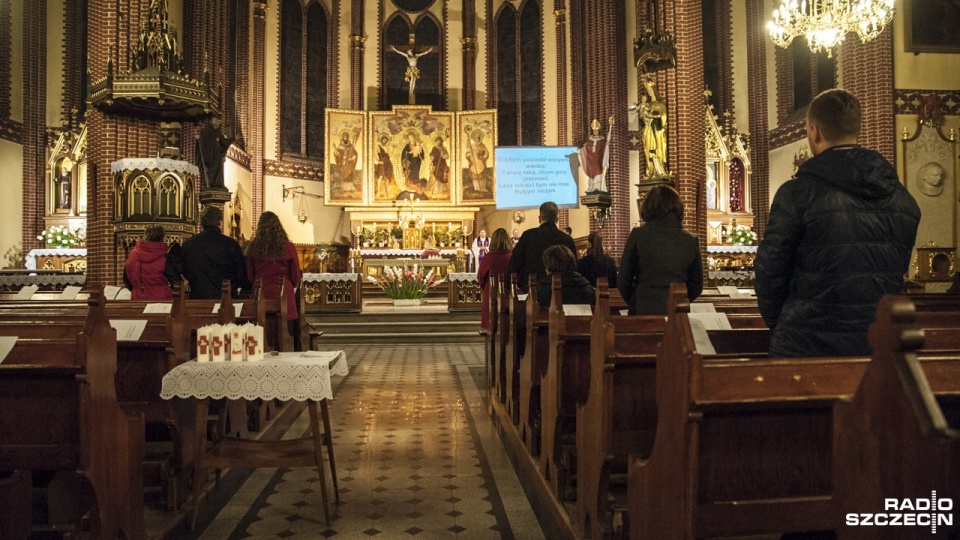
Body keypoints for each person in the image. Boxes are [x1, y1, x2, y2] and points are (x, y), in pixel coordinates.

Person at [756, 89, 920, 358]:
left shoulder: (796, 194)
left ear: (814, 132)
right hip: (875, 345)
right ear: (857, 129)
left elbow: (769, 271)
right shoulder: (902, 199)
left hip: (804, 345)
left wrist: (783, 322)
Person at [618, 185, 702, 315]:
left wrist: (636, 301)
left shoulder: (638, 235)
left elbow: (623, 280)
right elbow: (696, 285)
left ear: (648, 207)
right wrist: (679, 302)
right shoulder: (690, 239)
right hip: (677, 313)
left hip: (642, 311)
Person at [245, 211, 304, 351]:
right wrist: (289, 284)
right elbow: (296, 275)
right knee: (285, 332)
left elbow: (250, 275)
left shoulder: (254, 247)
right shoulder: (288, 246)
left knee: (261, 332)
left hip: (261, 293)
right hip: (284, 292)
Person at [180, 205, 251, 299]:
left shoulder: (189, 244)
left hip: (199, 297)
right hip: (226, 299)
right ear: (220, 222)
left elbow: (185, 271)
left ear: (201, 223)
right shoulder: (231, 244)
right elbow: (241, 275)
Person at [508, 201, 577, 292]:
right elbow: (574, 269)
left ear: (539, 218)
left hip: (532, 290)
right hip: (562, 290)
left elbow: (514, 264)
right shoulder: (567, 239)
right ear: (557, 219)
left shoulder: (528, 236)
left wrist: (509, 287)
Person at [123, 224, 178, 300]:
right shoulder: (165, 257)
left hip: (137, 299)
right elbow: (176, 281)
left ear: (145, 236)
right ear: (162, 237)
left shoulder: (132, 256)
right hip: (161, 301)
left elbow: (126, 279)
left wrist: (138, 289)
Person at [477, 228, 512, 330]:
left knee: (491, 326)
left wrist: (486, 288)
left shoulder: (489, 257)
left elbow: (480, 277)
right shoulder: (512, 256)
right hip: (508, 295)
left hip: (491, 294)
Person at [639, 78, 668, 178]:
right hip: (648, 131)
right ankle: (650, 170)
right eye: (648, 91)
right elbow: (642, 119)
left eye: (651, 90)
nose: (649, 92)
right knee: (648, 150)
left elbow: (664, 117)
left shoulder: (660, 104)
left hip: (657, 131)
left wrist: (656, 116)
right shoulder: (647, 104)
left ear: (654, 90)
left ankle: (659, 170)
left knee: (656, 149)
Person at [196, 116, 234, 190]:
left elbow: (224, 142)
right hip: (209, 155)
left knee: (218, 169)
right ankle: (211, 184)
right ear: (211, 122)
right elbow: (203, 141)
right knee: (210, 170)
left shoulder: (218, 132)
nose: (218, 122)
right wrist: (199, 138)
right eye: (216, 120)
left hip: (216, 155)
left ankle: (218, 184)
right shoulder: (206, 131)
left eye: (218, 120)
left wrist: (233, 139)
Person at [579, 116, 614, 193]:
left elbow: (605, 147)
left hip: (599, 161)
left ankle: (599, 188)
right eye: (594, 131)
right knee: (592, 177)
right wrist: (581, 152)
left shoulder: (602, 140)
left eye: (596, 131)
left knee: (598, 175)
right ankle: (591, 188)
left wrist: (606, 145)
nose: (595, 132)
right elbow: (585, 148)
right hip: (591, 162)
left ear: (599, 131)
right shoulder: (589, 140)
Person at [374, 134, 396, 198]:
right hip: (382, 164)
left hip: (387, 164)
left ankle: (384, 192)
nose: (384, 141)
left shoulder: (388, 147)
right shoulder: (378, 147)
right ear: (381, 140)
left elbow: (390, 156)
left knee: (386, 178)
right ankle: (378, 192)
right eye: (383, 140)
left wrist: (393, 150)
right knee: (380, 177)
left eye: (386, 140)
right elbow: (375, 155)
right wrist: (378, 161)